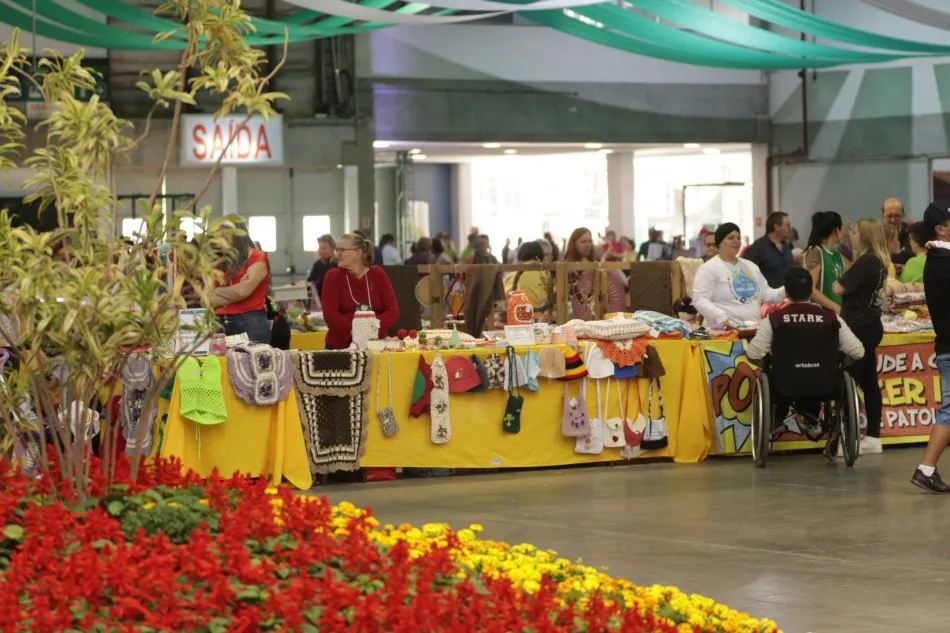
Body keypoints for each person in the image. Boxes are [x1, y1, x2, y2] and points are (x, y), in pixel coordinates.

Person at [746, 268, 864, 426]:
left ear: (786, 293)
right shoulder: (831, 318)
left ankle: (779, 418)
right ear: (811, 291)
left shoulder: (774, 319)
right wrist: (839, 365)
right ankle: (811, 420)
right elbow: (858, 352)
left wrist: (771, 366)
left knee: (772, 374)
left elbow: (753, 354)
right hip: (826, 384)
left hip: (784, 384)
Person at [832, 219, 889, 455]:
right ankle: (873, 437)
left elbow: (838, 288)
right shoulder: (876, 260)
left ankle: (845, 437)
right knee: (868, 382)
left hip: (859, 328)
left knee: (847, 379)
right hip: (870, 326)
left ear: (863, 236)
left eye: (853, 232)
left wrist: (838, 278)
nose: (849, 235)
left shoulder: (867, 260)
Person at [911, 200, 950, 492]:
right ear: (941, 229)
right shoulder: (941, 263)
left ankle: (926, 468)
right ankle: (926, 468)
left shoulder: (939, 258)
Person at [692, 222, 786, 329]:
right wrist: (721, 318)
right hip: (723, 334)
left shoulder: (751, 266)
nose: (736, 241)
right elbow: (700, 299)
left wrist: (788, 289)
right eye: (731, 238)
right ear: (719, 242)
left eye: (738, 237)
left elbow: (768, 294)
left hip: (753, 331)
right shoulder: (709, 268)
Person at [321, 232, 399, 349]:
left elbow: (392, 310)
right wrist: (356, 332)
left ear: (357, 253)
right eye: (337, 250)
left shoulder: (378, 274)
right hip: (340, 346)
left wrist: (372, 330)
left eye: (342, 250)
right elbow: (330, 314)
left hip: (376, 345)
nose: (337, 254)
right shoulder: (333, 276)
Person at [212, 218, 272, 344]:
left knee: (251, 363)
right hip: (220, 324)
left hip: (250, 323)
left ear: (237, 235)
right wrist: (236, 292)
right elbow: (206, 299)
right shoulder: (219, 262)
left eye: (224, 236)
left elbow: (243, 291)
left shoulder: (257, 258)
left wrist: (217, 291)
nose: (220, 241)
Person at [563, 227, 627, 319]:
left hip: (596, 309)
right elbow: (571, 293)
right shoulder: (567, 265)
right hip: (573, 311)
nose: (588, 245)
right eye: (583, 242)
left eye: (589, 241)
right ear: (574, 244)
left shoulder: (594, 262)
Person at [803, 211, 846, 313]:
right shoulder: (815, 252)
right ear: (837, 230)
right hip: (820, 314)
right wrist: (835, 307)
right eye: (842, 228)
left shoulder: (837, 254)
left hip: (836, 315)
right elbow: (810, 288)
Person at [744, 212, 794, 289]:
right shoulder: (758, 247)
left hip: (788, 297)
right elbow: (746, 274)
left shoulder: (786, 246)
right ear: (777, 227)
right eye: (787, 225)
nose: (790, 228)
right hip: (767, 298)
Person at [504, 241, 552, 315]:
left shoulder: (511, 276)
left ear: (521, 259)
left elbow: (504, 299)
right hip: (545, 320)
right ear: (541, 257)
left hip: (519, 319)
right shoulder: (548, 275)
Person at [306, 234, 337, 303]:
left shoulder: (338, 263)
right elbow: (310, 282)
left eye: (324, 248)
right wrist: (298, 298)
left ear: (332, 247)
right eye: (320, 248)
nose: (322, 251)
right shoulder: (317, 265)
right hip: (324, 300)